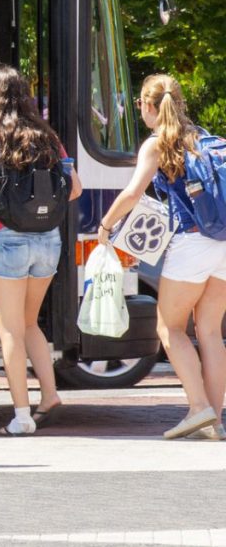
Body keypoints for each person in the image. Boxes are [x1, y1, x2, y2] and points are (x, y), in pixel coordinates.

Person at [0, 67, 82, 436]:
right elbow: (74, 189)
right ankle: (50, 394)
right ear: (25, 95)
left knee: (9, 330)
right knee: (29, 324)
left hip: (6, 238)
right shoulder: (46, 136)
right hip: (47, 240)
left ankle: (22, 417)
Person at [96, 74, 226, 440]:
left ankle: (198, 408)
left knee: (168, 327)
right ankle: (214, 420)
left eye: (139, 104)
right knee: (211, 331)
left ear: (150, 106)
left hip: (192, 243)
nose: (140, 110)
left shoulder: (157, 143)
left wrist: (106, 226)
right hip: (224, 243)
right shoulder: (201, 136)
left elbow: (133, 193)